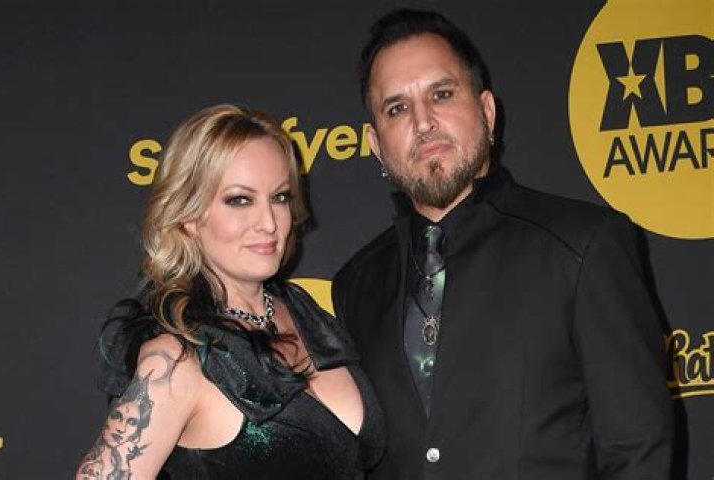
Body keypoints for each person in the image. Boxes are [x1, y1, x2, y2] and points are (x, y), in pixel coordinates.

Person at [332, 9, 673, 480]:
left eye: (442, 94)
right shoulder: (356, 285)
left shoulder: (583, 245)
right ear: (375, 144)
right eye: (397, 108)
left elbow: (639, 451)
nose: (423, 122)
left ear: (487, 112)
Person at [77, 104, 384, 479]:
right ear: (189, 217)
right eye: (240, 200)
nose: (269, 222)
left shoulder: (304, 313)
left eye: (280, 197)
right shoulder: (177, 358)